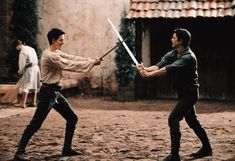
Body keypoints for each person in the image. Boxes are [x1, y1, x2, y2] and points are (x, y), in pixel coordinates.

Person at [13, 28, 102, 161]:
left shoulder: (56, 52)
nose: (62, 42)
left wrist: (91, 60)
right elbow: (69, 65)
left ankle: (66, 148)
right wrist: (91, 64)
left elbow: (72, 57)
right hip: (47, 93)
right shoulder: (50, 55)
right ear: (54, 40)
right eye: (61, 40)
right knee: (35, 124)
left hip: (54, 92)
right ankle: (19, 153)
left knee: (72, 118)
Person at [137, 28, 212, 161]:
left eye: (173, 37)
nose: (171, 39)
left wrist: (149, 75)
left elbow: (168, 69)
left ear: (180, 40)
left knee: (173, 119)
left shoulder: (188, 57)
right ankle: (207, 148)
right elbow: (160, 65)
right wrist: (145, 69)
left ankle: (174, 155)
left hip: (190, 94)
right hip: (183, 94)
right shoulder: (174, 52)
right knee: (193, 122)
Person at [15, 40, 41, 108]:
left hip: (30, 69)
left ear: (18, 45)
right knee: (34, 86)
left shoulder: (22, 52)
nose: (17, 49)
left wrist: (20, 73)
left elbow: (22, 64)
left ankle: (23, 103)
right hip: (36, 68)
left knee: (25, 86)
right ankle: (33, 102)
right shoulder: (31, 48)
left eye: (16, 47)